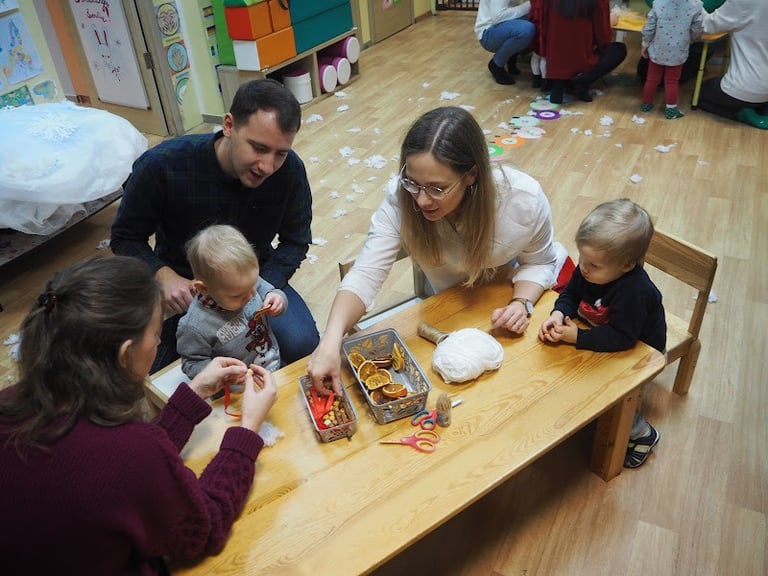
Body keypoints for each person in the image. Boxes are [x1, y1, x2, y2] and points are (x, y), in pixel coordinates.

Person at [0, 256, 278, 574]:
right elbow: (204, 529)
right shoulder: (130, 450)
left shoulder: (12, 401)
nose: (159, 341)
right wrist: (247, 431)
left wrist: (194, 393)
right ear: (125, 354)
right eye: (156, 334)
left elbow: (119, 467)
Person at [308, 106, 562, 395]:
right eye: (412, 183)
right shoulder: (400, 199)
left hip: (501, 303)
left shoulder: (523, 200)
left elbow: (540, 262)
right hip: (445, 304)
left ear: (472, 174)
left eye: (437, 188)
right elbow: (366, 273)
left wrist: (521, 303)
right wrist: (330, 340)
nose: (421, 200)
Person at [110, 79, 319, 373]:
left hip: (253, 278)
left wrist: (261, 286)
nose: (267, 166)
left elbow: (295, 241)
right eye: (258, 148)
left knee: (302, 344)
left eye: (280, 153)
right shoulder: (162, 165)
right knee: (149, 370)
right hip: (184, 286)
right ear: (229, 125)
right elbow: (125, 237)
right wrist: (162, 275)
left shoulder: (290, 171)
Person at [538, 199, 666, 468]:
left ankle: (642, 433)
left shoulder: (634, 292)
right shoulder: (590, 268)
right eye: (582, 258)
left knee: (616, 397)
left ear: (626, 265)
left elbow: (623, 338)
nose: (583, 268)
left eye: (594, 265)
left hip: (640, 349)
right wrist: (558, 313)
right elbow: (571, 293)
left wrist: (577, 338)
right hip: (604, 334)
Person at [177, 224, 286, 379]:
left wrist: (278, 299)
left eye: (253, 285)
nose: (251, 296)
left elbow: (273, 292)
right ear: (204, 288)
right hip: (237, 388)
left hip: (274, 365)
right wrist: (221, 375)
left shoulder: (245, 284)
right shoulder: (194, 326)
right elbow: (191, 363)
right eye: (237, 296)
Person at [698, 0, 768, 130]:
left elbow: (706, 26)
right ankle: (763, 108)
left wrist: (692, 2)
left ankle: (741, 114)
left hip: (746, 89)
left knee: (700, 94)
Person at [540, 0, 627, 103]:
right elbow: (603, 40)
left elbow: (544, 27)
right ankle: (581, 80)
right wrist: (610, 23)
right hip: (582, 63)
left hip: (554, 66)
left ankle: (561, 84)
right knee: (619, 49)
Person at [640, 0, 703, 119]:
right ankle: (671, 109)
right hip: (678, 50)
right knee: (672, 81)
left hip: (658, 48)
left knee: (652, 79)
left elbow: (650, 26)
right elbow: (697, 28)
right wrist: (693, 39)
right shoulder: (696, 5)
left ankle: (646, 104)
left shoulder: (658, 3)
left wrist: (645, 43)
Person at [475, 0, 536, 85]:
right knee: (527, 29)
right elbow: (498, 17)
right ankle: (496, 64)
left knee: (534, 21)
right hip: (488, 33)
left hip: (501, 26)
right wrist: (530, 5)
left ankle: (511, 58)